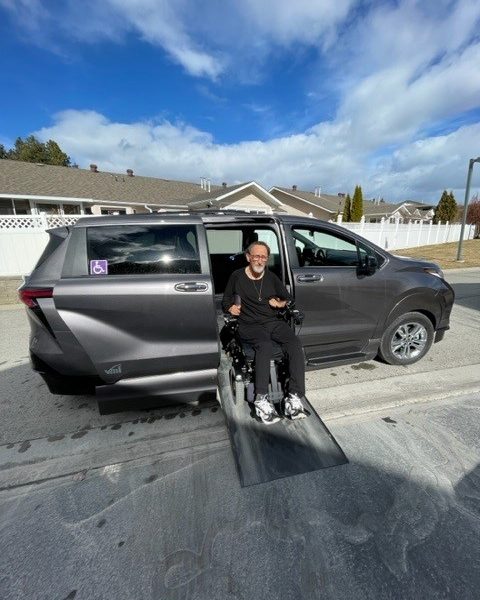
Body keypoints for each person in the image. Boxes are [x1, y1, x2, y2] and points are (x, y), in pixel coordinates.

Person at [222, 241, 306, 424]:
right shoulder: (237, 276)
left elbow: (288, 298)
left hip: (271, 321)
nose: (259, 260)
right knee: (265, 345)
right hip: (249, 324)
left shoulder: (270, 277)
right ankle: (261, 399)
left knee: (294, 343)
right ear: (248, 257)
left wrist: (280, 303)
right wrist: (230, 308)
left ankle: (293, 396)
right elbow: (226, 299)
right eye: (256, 256)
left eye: (263, 257)